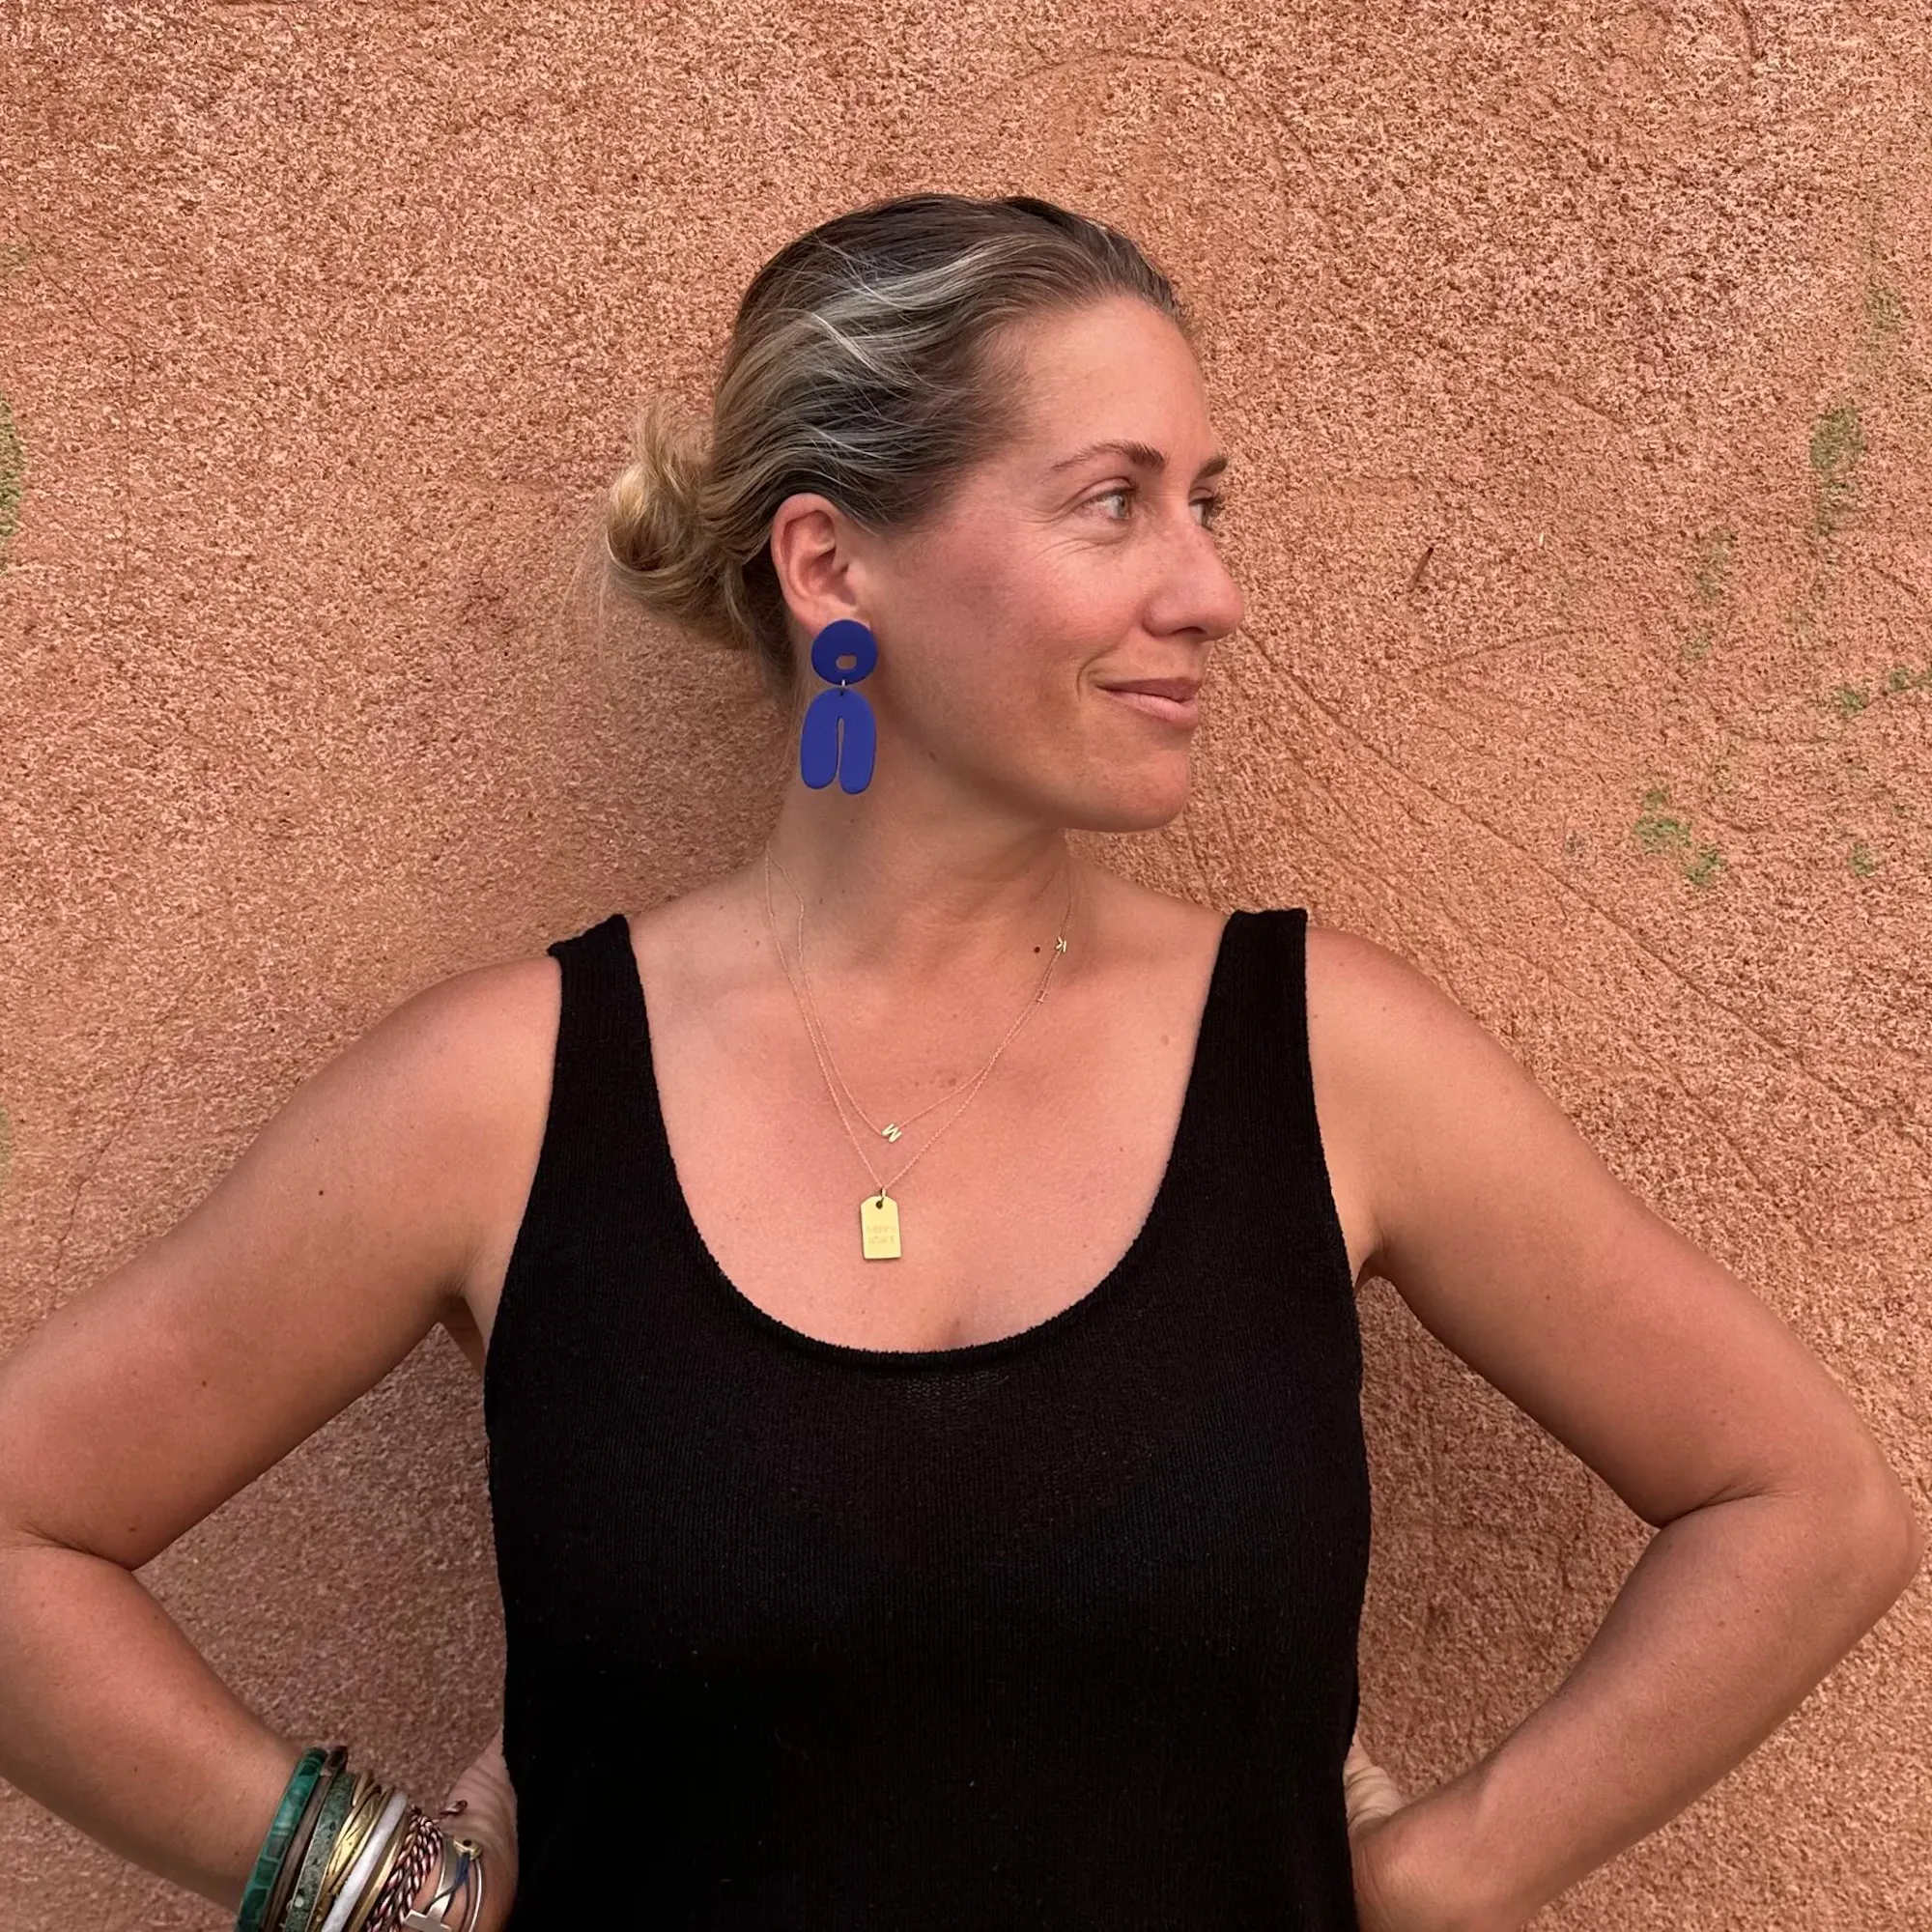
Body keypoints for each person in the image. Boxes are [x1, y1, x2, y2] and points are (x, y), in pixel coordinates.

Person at [0, 191, 1918, 1932]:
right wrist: (377, 1886)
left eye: (1207, 503)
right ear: (836, 570)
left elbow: (1803, 1500)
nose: (1209, 590)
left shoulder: (1327, 1063)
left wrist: (1448, 1871)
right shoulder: (507, 1101)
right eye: (1114, 503)